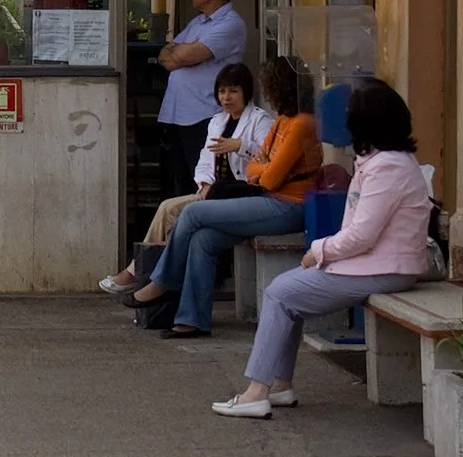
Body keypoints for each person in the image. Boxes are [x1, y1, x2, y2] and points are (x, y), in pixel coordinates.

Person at [215, 78, 431, 417]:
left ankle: (257, 391)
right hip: (378, 265)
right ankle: (280, 386)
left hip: (382, 268)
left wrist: (320, 250)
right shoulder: (385, 161)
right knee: (287, 294)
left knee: (279, 294)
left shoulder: (388, 167)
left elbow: (362, 235)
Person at [122, 57, 319, 337]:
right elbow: (257, 167)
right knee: (203, 239)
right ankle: (192, 319)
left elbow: (270, 177)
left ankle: (163, 282)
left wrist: (260, 167)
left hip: (288, 205)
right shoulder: (282, 122)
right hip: (268, 199)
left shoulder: (299, 125)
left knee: (192, 213)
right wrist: (260, 167)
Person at [100, 62, 273, 293]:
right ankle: (153, 278)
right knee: (174, 222)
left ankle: (138, 272)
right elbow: (204, 160)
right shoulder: (218, 121)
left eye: (233, 91)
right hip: (214, 193)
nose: (226, 97)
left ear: (246, 92)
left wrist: (240, 145)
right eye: (222, 91)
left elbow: (267, 155)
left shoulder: (261, 120)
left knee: (169, 210)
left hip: (242, 196)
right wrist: (203, 184)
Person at [155, 0, 247, 197]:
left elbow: (186, 55)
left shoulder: (230, 24)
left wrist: (184, 52)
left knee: (197, 181)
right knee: (173, 181)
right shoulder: (198, 22)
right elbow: (165, 55)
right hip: (176, 114)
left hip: (203, 115)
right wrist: (182, 52)